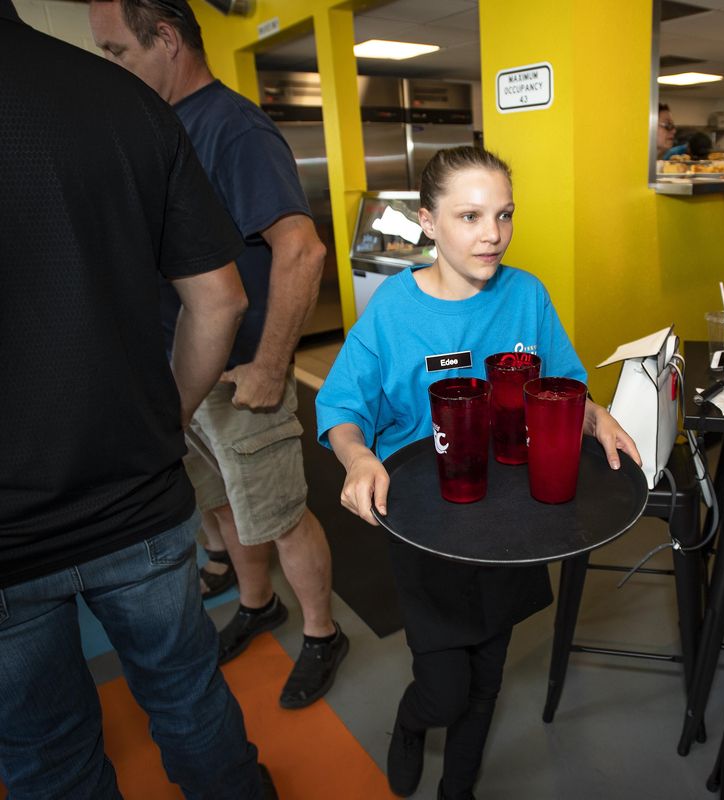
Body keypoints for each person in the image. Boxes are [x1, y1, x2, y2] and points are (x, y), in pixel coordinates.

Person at [0, 2, 276, 796]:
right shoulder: (121, 102)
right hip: (138, 496)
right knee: (191, 702)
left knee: (47, 755)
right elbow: (218, 301)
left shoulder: (225, 122)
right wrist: (167, 419)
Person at [316, 147, 641, 800]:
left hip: (511, 521)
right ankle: (412, 724)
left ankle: (455, 792)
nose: (492, 233)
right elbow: (343, 406)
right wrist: (356, 456)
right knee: (446, 688)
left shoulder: (527, 295)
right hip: (428, 525)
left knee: (488, 677)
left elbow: (564, 383)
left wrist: (595, 413)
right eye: (469, 216)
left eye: (504, 214)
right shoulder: (393, 310)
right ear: (429, 222)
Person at [89, 0, 349, 709]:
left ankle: (324, 633)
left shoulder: (232, 127)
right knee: (220, 502)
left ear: (166, 39)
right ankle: (258, 603)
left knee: (280, 511)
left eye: (117, 52)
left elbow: (302, 249)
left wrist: (270, 368)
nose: (111, 68)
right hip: (183, 368)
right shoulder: (163, 124)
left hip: (240, 374)